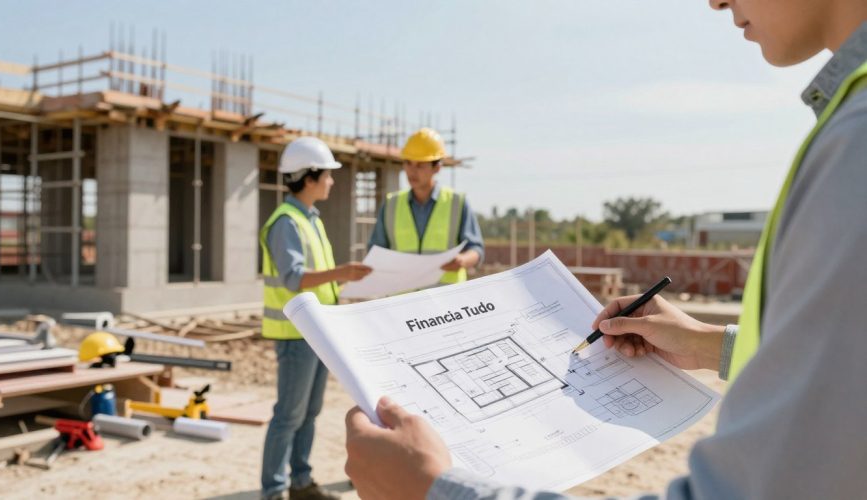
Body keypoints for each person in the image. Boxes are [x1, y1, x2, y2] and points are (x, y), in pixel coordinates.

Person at [343, 1, 867, 498]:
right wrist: (711, 345)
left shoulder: (855, 147)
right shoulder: (848, 129)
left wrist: (434, 491)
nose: (713, 2)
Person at [260, 136, 372, 500]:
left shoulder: (310, 219)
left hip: (317, 333)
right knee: (289, 416)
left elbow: (317, 278)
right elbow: (294, 277)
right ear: (309, 177)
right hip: (295, 335)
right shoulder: (286, 223)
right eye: (327, 174)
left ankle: (300, 482)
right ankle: (274, 491)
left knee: (309, 413)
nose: (332, 181)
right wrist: (342, 273)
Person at [369, 127, 484, 285]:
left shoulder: (457, 203)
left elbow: (476, 249)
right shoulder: (391, 205)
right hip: (403, 299)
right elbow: (376, 252)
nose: (412, 171)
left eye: (420, 165)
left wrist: (463, 260)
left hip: (445, 301)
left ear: (437, 167)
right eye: (408, 163)